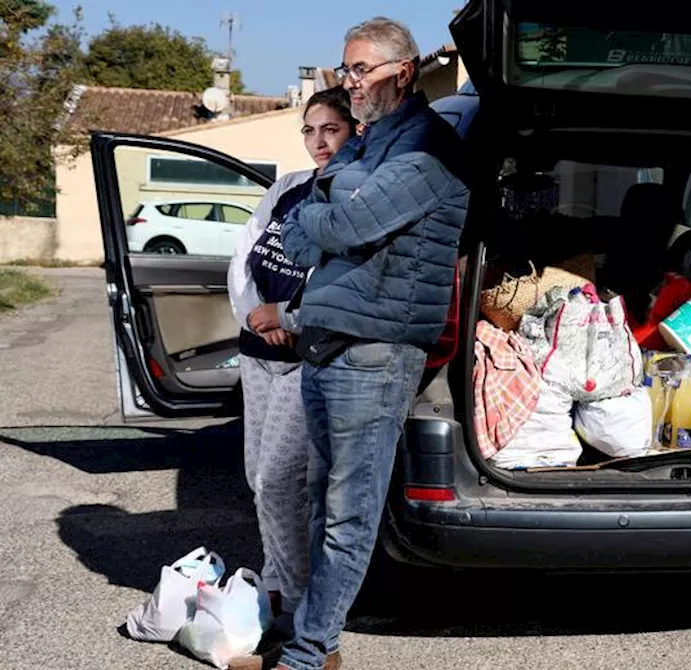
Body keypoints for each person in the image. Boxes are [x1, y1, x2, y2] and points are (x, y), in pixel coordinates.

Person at [271, 17, 469, 670]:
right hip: (328, 346)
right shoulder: (363, 145)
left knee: (347, 518)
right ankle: (315, 642)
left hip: (374, 353)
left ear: (402, 71)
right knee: (315, 503)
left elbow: (350, 221)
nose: (348, 83)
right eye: (346, 69)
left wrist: (330, 212)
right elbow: (304, 221)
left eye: (360, 71)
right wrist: (329, 210)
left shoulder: (430, 148)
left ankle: (305, 655)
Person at [225, 87, 358, 664]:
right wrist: (255, 316)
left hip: (307, 359)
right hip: (258, 351)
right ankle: (275, 590)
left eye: (331, 128)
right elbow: (245, 255)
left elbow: (343, 282)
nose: (319, 141)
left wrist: (290, 321)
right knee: (258, 476)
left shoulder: (355, 195)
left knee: (281, 481)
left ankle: (308, 614)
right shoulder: (286, 189)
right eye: (309, 130)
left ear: (356, 130)